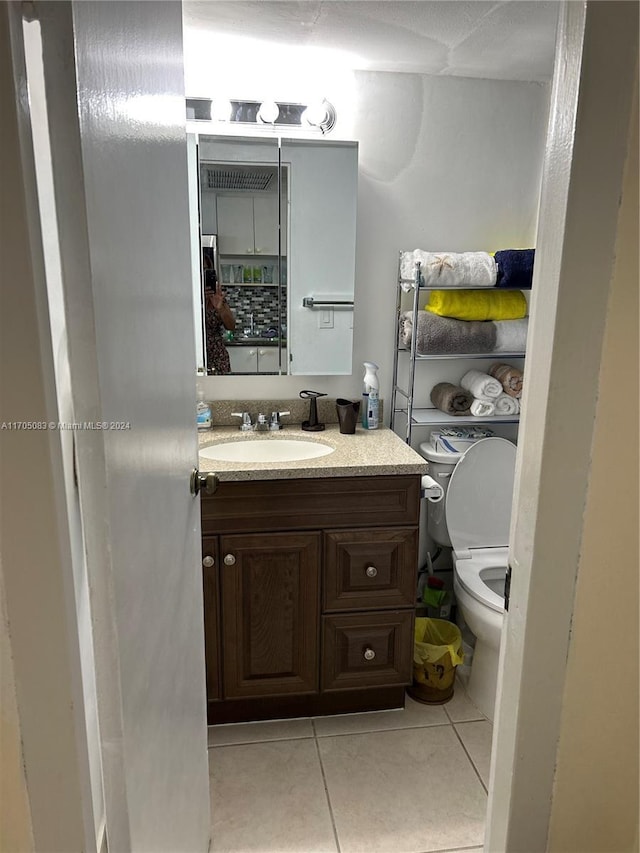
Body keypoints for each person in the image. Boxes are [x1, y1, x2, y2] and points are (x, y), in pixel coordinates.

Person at [204, 267, 236, 375]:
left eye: (206, 270)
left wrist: (220, 308)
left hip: (218, 356)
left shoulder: (218, 298)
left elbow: (231, 326)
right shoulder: (192, 298)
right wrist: (200, 301)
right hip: (197, 356)